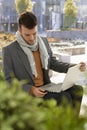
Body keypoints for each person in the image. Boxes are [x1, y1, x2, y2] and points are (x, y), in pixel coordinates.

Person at [2, 11, 86, 114]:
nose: (32, 38)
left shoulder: (43, 42)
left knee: (78, 90)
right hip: (29, 93)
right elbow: (8, 81)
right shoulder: (9, 51)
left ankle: (72, 125)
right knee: (64, 97)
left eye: (34, 33)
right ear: (19, 30)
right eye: (27, 35)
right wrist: (30, 89)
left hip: (46, 87)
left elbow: (53, 63)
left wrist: (75, 66)